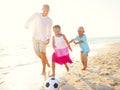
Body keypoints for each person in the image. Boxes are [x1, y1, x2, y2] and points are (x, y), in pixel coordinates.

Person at [25, 4, 52, 75]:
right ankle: (46, 61)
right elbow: (28, 20)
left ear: (49, 10)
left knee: (43, 53)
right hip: (35, 37)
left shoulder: (49, 20)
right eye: (45, 9)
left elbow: (49, 31)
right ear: (42, 9)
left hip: (43, 39)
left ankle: (44, 69)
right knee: (37, 53)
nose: (46, 10)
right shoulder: (36, 15)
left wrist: (48, 38)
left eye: (47, 9)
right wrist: (26, 24)